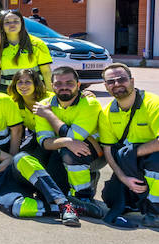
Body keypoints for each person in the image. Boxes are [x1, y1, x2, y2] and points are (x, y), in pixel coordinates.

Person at [97, 64, 159, 228]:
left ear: (132, 81)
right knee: (111, 198)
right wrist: (123, 178)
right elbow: (108, 151)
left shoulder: (155, 104)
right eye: (111, 81)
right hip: (139, 156)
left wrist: (133, 154)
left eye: (122, 79)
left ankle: (155, 209)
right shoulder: (106, 114)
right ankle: (137, 199)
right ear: (106, 86)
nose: (117, 84)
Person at [31, 67, 105, 205]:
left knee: (71, 152)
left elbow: (74, 137)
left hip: (93, 153)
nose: (64, 87)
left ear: (78, 85)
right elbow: (44, 141)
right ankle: (76, 183)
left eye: (69, 83)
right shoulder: (43, 105)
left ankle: (84, 196)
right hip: (60, 150)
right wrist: (65, 141)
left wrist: (49, 115)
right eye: (58, 84)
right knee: (48, 197)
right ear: (52, 86)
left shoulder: (90, 103)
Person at [0, 11, 53, 90]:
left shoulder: (37, 44)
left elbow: (46, 72)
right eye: (7, 22)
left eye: (16, 21)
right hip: (9, 94)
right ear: (1, 26)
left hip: (35, 93)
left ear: (22, 23)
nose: (12, 24)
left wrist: (51, 95)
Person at [6, 68, 47, 153]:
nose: (23, 85)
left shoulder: (49, 99)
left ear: (36, 84)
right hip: (34, 138)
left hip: (53, 139)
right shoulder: (13, 103)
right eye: (19, 82)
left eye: (28, 82)